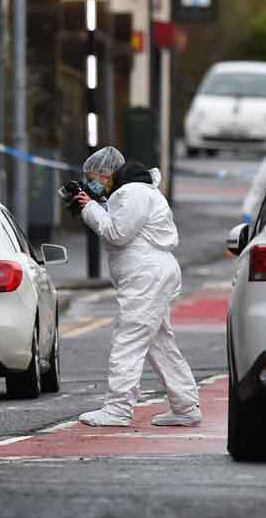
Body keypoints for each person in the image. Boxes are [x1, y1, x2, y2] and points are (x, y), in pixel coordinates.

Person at [74, 146, 201, 427]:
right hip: (151, 273)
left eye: (94, 178)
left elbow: (118, 233)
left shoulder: (131, 193)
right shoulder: (135, 192)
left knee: (128, 337)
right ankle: (185, 405)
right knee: (159, 342)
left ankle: (118, 408)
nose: (93, 185)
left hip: (146, 275)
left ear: (108, 174)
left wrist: (91, 208)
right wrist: (98, 207)